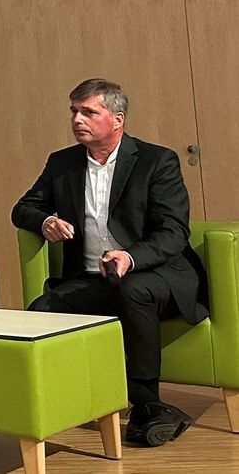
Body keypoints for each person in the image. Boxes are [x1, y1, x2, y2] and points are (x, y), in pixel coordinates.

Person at [13, 79, 206, 447]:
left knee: (132, 290)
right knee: (43, 309)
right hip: (92, 278)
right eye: (74, 111)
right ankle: (65, 402)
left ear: (117, 119)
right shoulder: (62, 163)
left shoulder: (156, 160)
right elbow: (23, 208)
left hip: (156, 274)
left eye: (88, 112)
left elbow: (173, 231)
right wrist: (45, 221)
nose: (77, 119)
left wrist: (130, 257)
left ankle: (146, 403)